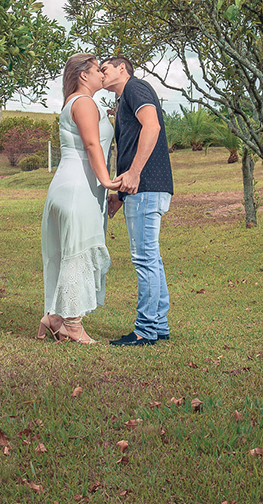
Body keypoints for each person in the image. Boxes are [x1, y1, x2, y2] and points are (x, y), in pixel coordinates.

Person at [38, 53, 120, 344]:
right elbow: (91, 144)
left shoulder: (73, 102)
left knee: (64, 253)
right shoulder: (83, 102)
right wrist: (107, 181)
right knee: (78, 253)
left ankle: (54, 318)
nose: (102, 74)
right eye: (98, 69)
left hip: (67, 183)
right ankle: (73, 325)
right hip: (78, 186)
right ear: (83, 75)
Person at [100, 56, 173, 347]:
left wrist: (134, 174)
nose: (101, 74)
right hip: (143, 189)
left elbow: (152, 127)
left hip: (146, 187)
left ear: (122, 69)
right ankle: (160, 325)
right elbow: (131, 146)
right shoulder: (124, 99)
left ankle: (145, 330)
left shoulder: (135, 87)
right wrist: (121, 193)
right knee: (151, 257)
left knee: (145, 258)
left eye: (104, 69)